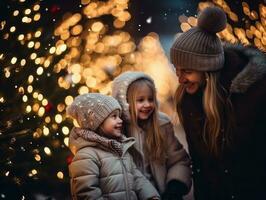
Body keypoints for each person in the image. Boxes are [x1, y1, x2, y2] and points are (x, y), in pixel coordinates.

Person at [170, 6, 266, 200]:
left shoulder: (257, 94)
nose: (180, 80)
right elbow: (200, 166)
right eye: (177, 70)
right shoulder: (188, 99)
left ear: (208, 70)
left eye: (187, 71)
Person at [112, 71, 192, 200]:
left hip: (162, 193)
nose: (147, 104)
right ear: (124, 102)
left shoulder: (161, 126)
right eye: (140, 100)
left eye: (150, 99)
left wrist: (175, 186)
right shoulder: (117, 130)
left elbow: (179, 160)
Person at [66, 93, 160, 200]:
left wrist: (151, 196)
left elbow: (137, 178)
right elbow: (86, 193)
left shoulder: (121, 149)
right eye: (114, 116)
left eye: (119, 116)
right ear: (96, 122)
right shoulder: (86, 155)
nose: (120, 121)